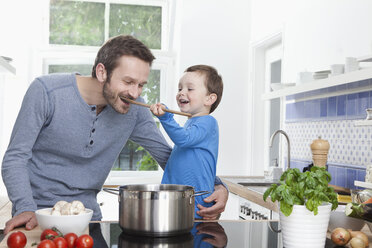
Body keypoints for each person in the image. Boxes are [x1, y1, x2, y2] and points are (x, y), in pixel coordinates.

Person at [1, 35, 228, 234]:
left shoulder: (135, 110)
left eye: (141, 85)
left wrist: (218, 187)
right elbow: (15, 158)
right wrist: (24, 207)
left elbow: (170, 157)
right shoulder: (46, 92)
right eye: (128, 82)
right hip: (37, 216)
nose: (135, 93)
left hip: (89, 220)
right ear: (102, 72)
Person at [150, 65, 223, 218]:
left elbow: (183, 139)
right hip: (178, 202)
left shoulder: (208, 122)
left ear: (209, 98)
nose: (182, 93)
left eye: (190, 89)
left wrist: (166, 118)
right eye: (179, 89)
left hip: (197, 205)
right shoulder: (191, 123)